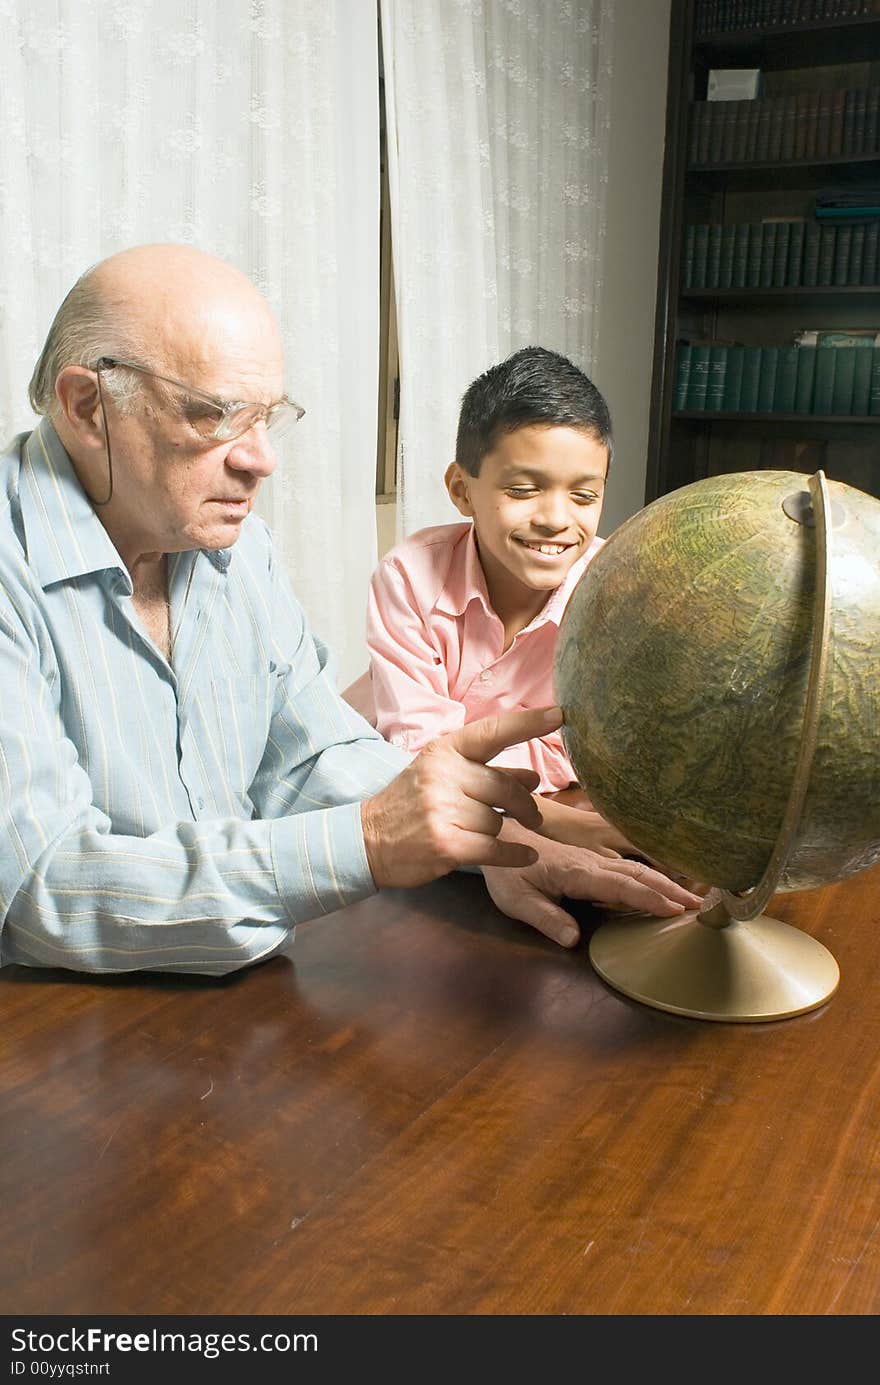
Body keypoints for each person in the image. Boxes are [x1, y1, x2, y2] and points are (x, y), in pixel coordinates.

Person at [0, 245, 701, 976]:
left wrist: (490, 846)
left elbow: (309, 757)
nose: (261, 459)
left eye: (268, 417)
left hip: (234, 1017)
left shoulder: (238, 551)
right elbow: (36, 891)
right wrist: (367, 839)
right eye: (215, 415)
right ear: (88, 408)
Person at [366, 345, 632, 854]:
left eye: (584, 496)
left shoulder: (616, 590)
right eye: (523, 489)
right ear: (462, 490)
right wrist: (567, 823)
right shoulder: (408, 576)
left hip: (513, 817)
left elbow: (593, 755)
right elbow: (420, 758)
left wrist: (465, 757)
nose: (555, 518)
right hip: (407, 812)